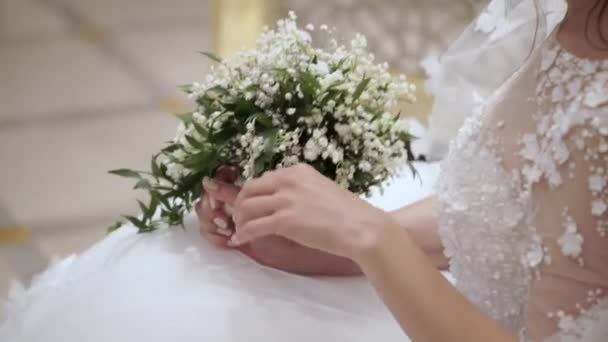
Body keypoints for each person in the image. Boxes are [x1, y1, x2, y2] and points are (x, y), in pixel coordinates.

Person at [198, 0, 608, 340]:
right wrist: (323, 242)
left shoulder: (597, 119)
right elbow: (512, 214)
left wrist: (372, 237)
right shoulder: (579, 22)